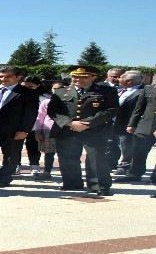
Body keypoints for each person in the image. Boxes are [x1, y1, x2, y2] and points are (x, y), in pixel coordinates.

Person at [47, 66, 119, 196]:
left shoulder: (107, 91)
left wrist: (88, 123)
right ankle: (71, 183)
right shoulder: (61, 92)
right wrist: (70, 123)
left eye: (83, 77)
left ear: (93, 77)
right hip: (67, 130)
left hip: (95, 130)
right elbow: (53, 111)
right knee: (68, 158)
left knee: (96, 159)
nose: (78, 79)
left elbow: (111, 110)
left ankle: (99, 185)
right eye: (75, 77)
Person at [117, 62, 156, 185]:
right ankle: (134, 174)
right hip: (145, 126)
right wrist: (132, 124)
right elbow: (139, 108)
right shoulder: (149, 88)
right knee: (138, 152)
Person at [109, 70, 144, 174]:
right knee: (114, 145)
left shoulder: (142, 91)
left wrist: (132, 124)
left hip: (127, 124)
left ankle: (125, 166)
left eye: (121, 77)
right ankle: (112, 164)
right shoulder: (122, 90)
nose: (119, 79)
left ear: (130, 81)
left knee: (126, 146)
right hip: (115, 123)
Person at [18, 76, 51, 175]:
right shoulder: (17, 95)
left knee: (34, 146)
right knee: (16, 146)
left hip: (35, 126)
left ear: (38, 85)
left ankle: (34, 165)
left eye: (31, 86)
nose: (27, 88)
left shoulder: (45, 97)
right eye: (24, 86)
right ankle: (15, 164)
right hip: (19, 125)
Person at [33, 81, 65, 180]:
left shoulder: (68, 101)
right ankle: (47, 171)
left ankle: (67, 173)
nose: (57, 91)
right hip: (48, 129)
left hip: (63, 130)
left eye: (59, 88)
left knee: (64, 152)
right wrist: (38, 131)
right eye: (54, 88)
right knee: (49, 152)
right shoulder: (46, 102)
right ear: (51, 89)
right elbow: (40, 117)